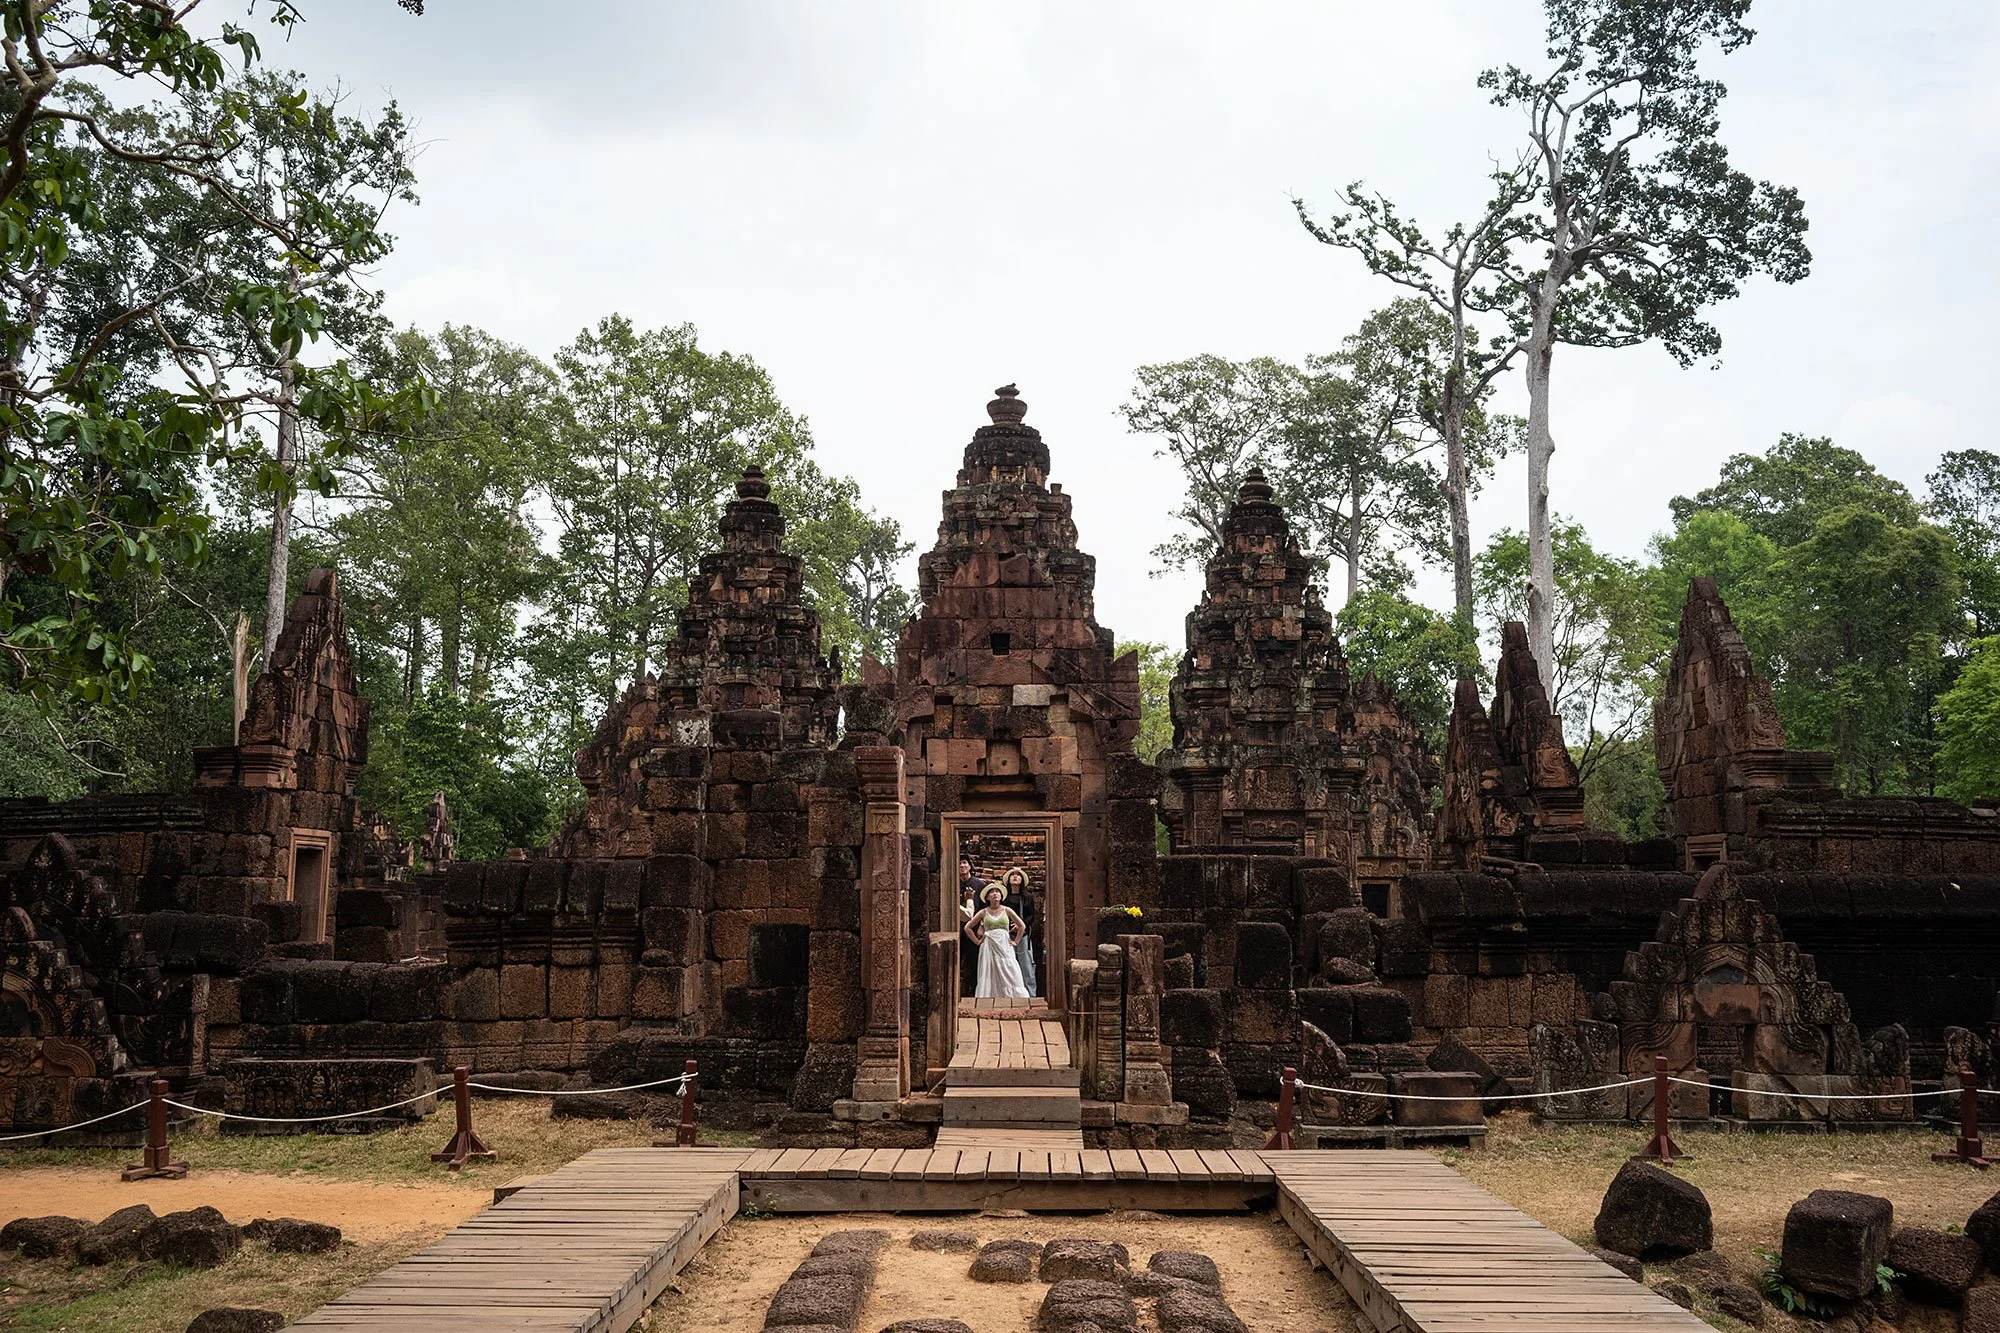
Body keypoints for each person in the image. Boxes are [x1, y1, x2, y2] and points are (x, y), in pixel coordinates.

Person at [965, 884, 1029, 1000]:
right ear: (987, 897)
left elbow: (1022, 926)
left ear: (1001, 896)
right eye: (992, 892)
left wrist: (1016, 941)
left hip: (1004, 944)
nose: (995, 894)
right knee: (989, 969)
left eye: (997, 892)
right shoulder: (983, 912)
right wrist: (977, 941)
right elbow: (968, 927)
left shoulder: (1007, 910)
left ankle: (1015, 997)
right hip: (988, 945)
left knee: (1009, 967)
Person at [1001, 865, 1037, 996]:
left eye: (1018, 875)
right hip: (1006, 935)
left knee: (1026, 965)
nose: (1015, 877)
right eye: (1012, 875)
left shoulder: (1028, 897)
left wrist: (1021, 926)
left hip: (1023, 935)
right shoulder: (1003, 898)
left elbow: (1031, 916)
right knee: (1007, 965)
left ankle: (1030, 994)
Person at [956, 857, 984, 994]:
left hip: (974, 928)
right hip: (957, 928)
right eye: (959, 863)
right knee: (955, 960)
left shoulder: (979, 885)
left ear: (970, 866)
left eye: (964, 863)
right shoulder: (953, 884)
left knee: (975, 961)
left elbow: (985, 908)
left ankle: (974, 992)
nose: (962, 866)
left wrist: (982, 926)